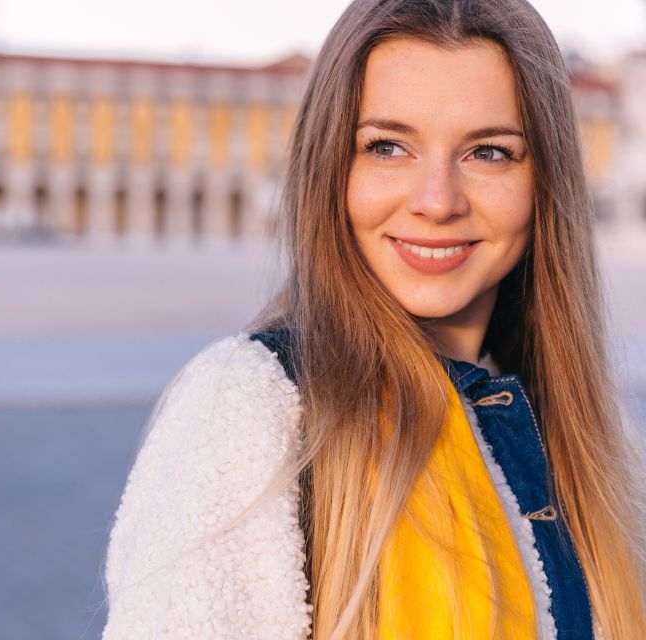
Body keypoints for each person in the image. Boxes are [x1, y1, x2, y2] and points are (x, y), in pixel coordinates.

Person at [101, 0, 646, 638]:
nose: (437, 202)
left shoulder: (580, 439)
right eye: (387, 146)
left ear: (545, 182)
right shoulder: (251, 408)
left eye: (489, 152)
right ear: (330, 166)